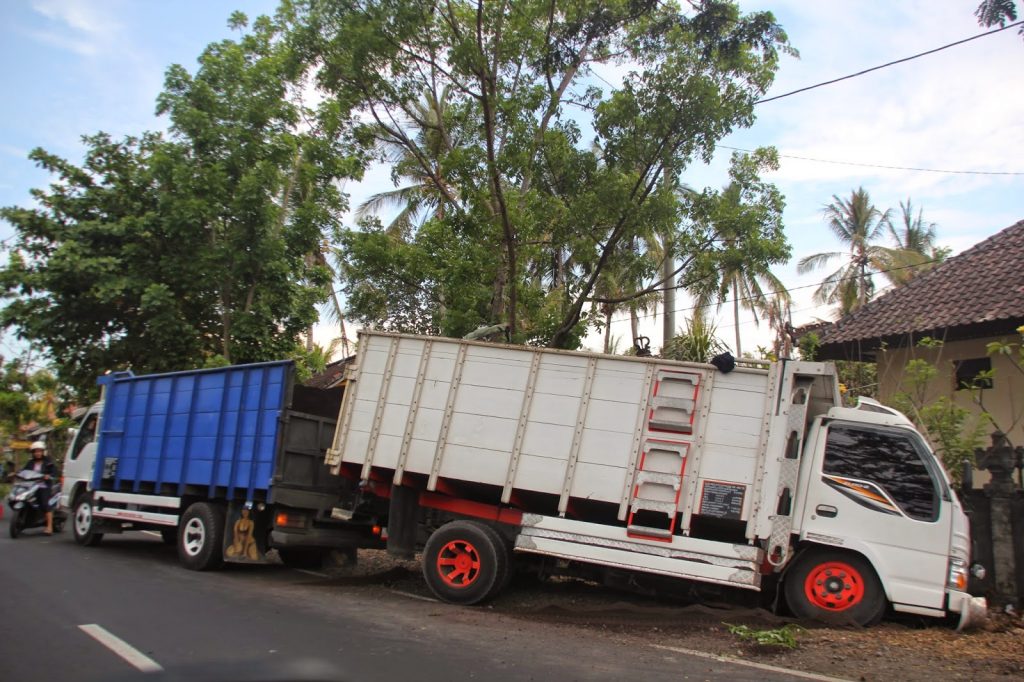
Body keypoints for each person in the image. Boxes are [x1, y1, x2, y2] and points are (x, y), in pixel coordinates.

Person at [22, 441, 56, 534]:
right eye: (36, 451)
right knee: (24, 499)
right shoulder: (30, 463)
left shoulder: (48, 462)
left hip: (44, 486)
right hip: (31, 486)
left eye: (39, 451)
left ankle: (49, 527)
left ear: (43, 452)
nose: (38, 453)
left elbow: (53, 473)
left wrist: (48, 476)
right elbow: (24, 471)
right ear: (33, 453)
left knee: (45, 504)